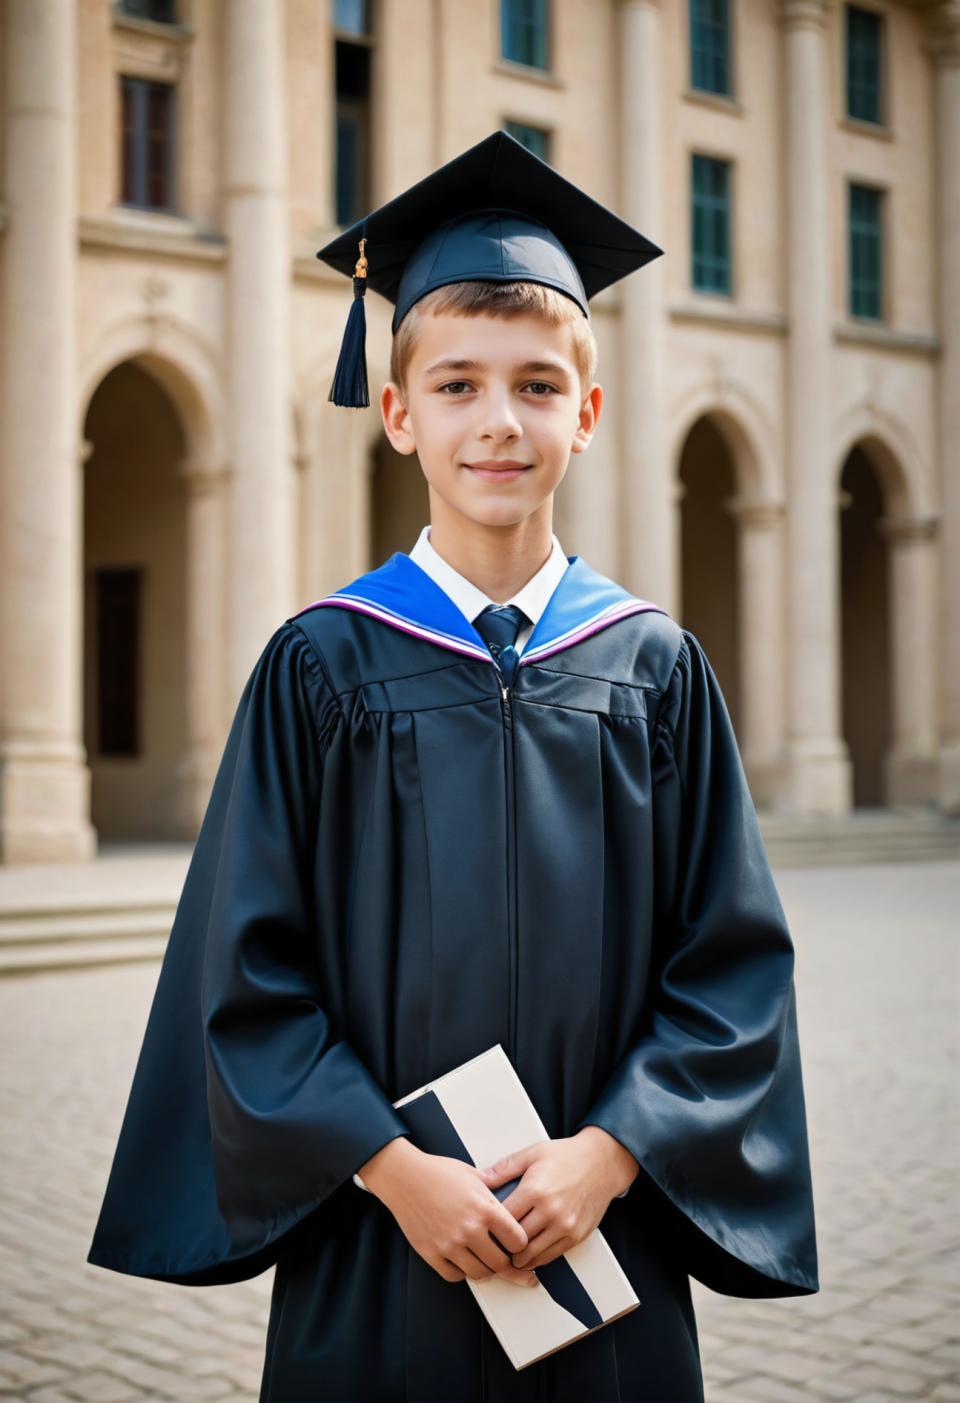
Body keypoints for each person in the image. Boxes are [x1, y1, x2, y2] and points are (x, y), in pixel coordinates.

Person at [87, 130, 819, 1403]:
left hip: (606, 1237)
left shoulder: (651, 667)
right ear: (397, 411)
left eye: (538, 386)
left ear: (586, 414)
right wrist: (389, 1164)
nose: (499, 421)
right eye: (459, 385)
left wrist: (613, 1150)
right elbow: (246, 968)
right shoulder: (320, 666)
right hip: (384, 1243)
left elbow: (731, 964)